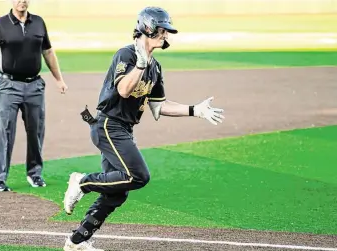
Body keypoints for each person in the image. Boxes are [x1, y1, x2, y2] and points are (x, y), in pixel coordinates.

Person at [62, 6, 225, 251]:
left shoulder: (155, 67)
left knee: (117, 193)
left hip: (124, 129)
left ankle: (77, 241)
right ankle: (81, 183)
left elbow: (158, 107)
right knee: (138, 176)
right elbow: (124, 90)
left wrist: (195, 110)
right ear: (148, 28)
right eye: (163, 30)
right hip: (108, 125)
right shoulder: (126, 55)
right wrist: (139, 65)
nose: (166, 35)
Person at [0, 0, 68, 192]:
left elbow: (48, 51)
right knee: (4, 132)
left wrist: (59, 79)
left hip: (34, 85)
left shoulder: (38, 22)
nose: (22, 1)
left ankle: (34, 174)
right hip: (7, 86)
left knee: (36, 131)